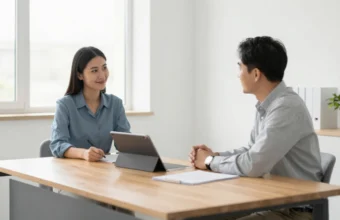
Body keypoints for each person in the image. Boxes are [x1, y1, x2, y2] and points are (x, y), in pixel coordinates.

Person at [189, 36, 322, 220]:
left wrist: (210, 161)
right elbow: (252, 150)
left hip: (292, 211)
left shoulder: (286, 107)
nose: (238, 74)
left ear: (256, 74)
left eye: (240, 67)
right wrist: (217, 156)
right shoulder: (267, 105)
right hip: (271, 201)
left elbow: (253, 164)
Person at [50, 46, 132, 214]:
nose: (102, 75)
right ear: (80, 75)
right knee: (93, 209)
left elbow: (125, 142)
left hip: (105, 178)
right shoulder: (65, 105)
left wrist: (137, 150)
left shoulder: (115, 104)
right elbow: (57, 144)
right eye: (94, 70)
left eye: (104, 68)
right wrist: (84, 154)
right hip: (72, 180)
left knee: (127, 208)